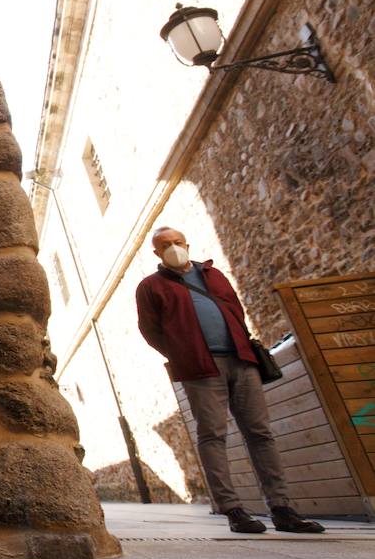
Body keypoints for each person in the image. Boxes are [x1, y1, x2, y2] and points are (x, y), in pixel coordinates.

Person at [135, 226, 324, 534]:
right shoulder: (150, 287)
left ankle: (282, 508)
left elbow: (235, 310)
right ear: (156, 253)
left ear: (187, 243)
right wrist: (183, 354)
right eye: (165, 245)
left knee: (260, 433)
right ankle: (233, 509)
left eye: (177, 242)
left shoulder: (214, 275)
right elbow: (150, 330)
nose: (173, 247)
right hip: (201, 368)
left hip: (242, 360)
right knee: (212, 436)